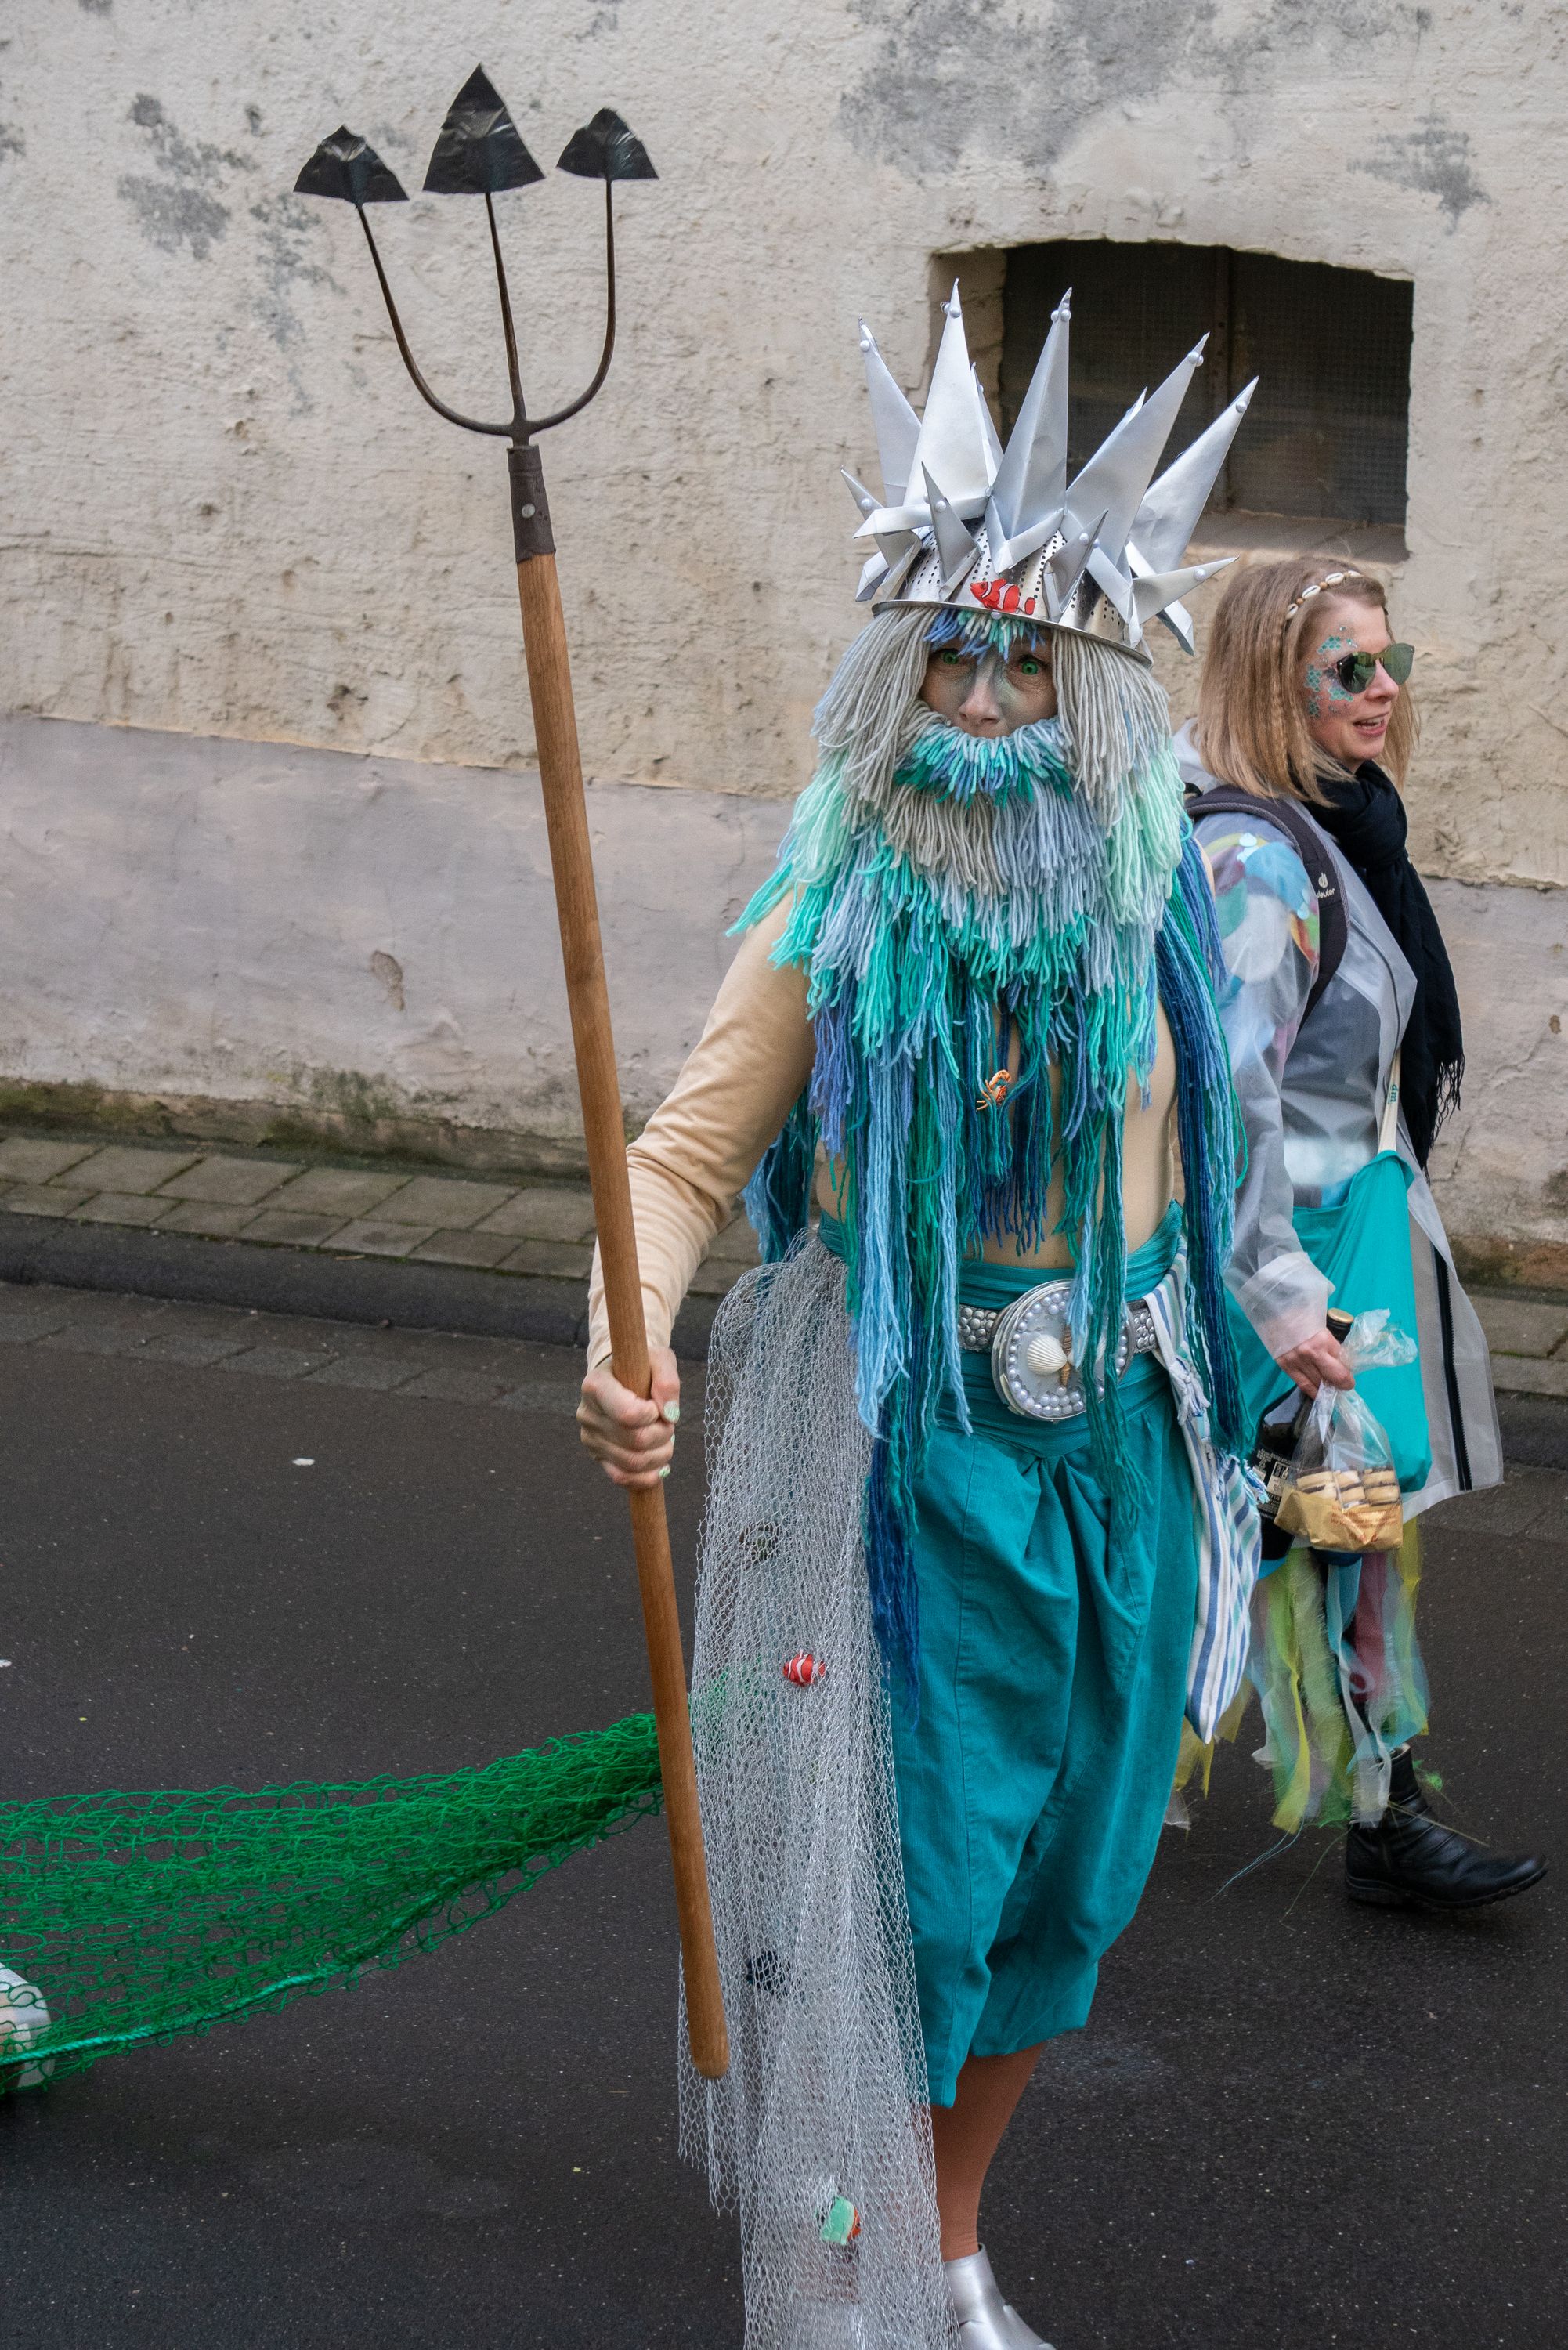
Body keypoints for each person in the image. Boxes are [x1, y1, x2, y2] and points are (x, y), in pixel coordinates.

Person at [579, 286, 1261, 2350]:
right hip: (919, 1463)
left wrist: (1272, 1352)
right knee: (920, 1898)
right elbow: (680, 1163)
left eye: (1025, 656)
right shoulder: (837, 905)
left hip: (1121, 1455)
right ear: (895, 669)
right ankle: (855, 2278)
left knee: (1064, 1893)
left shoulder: (1161, 896)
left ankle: (948, 2241)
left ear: (1101, 685)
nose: (982, 692)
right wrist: (619, 1341)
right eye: (949, 650)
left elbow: (1211, 1183)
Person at [1180, 557, 1547, 1907]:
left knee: (1354, 1515)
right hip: (1290, 1256)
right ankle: (1067, 1784)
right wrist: (1276, 1287)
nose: (1383, 688)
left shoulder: (1342, 826)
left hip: (1354, 1228)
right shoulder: (1250, 857)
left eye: (1389, 660)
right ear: (1277, 682)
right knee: (1238, 1519)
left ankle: (1383, 1809)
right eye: (1349, 667)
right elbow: (1229, 1091)